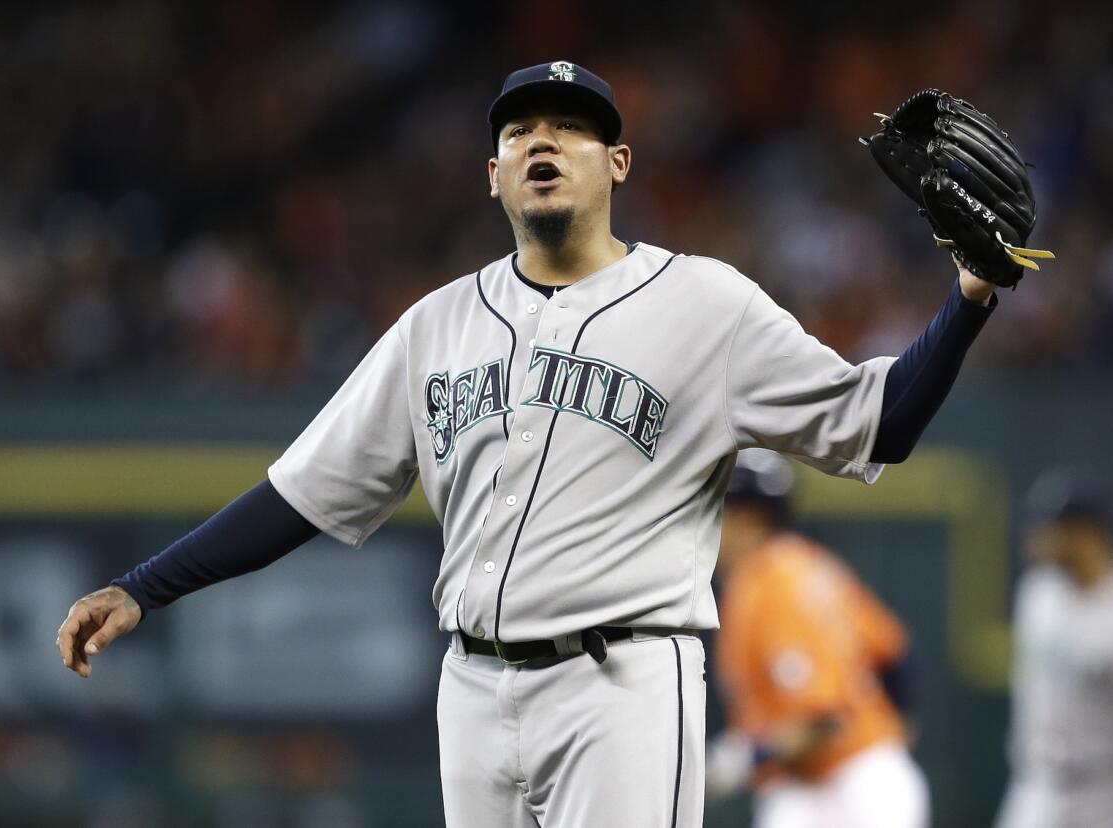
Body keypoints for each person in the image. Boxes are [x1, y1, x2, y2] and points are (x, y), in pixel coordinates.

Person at [57, 61, 1009, 826]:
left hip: (623, 682)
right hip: (470, 686)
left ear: (618, 164)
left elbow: (876, 424)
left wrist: (968, 297)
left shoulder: (706, 304)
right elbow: (300, 493)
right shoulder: (434, 327)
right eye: (519, 131)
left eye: (571, 127)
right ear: (495, 174)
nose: (542, 140)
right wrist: (144, 587)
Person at [706, 449, 928, 828]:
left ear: (747, 517)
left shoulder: (768, 583)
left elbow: (821, 722)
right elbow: (893, 650)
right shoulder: (808, 563)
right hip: (856, 778)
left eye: (715, 509)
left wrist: (746, 757)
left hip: (849, 789)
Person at [994, 472, 1113, 828]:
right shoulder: (1037, 592)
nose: (1036, 537)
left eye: (1053, 528)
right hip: (1033, 786)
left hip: (1105, 792)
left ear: (1089, 534)